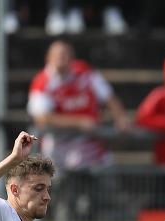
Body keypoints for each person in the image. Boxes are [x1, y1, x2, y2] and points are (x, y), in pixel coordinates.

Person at [28, 40, 129, 171]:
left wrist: (121, 117)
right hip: (58, 147)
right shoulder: (41, 82)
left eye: (65, 54)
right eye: (58, 55)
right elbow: (42, 118)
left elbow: (109, 97)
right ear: (48, 58)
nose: (62, 59)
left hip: (91, 144)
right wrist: (79, 122)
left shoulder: (84, 71)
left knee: (106, 179)